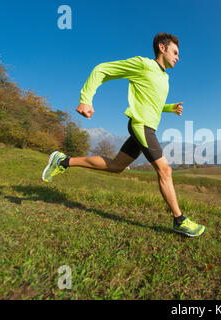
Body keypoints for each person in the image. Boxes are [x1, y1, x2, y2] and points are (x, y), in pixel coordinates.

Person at [42, 32, 205, 237]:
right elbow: (102, 69)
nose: (178, 57)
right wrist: (86, 98)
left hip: (147, 127)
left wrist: (169, 107)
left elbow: (151, 102)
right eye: (175, 52)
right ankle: (179, 220)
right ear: (162, 48)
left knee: (117, 166)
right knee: (165, 171)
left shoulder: (164, 77)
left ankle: (63, 162)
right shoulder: (143, 65)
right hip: (141, 126)